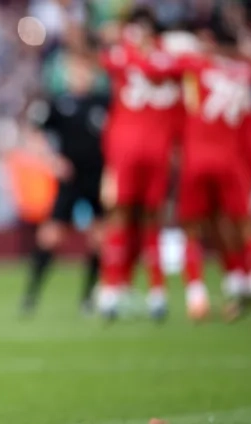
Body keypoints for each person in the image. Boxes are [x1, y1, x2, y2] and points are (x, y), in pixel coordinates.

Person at [150, 25, 251, 321]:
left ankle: (196, 295)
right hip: (231, 159)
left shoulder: (195, 65)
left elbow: (160, 68)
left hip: (197, 158)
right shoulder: (242, 72)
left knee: (192, 228)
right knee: (245, 227)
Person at [97, 7, 181, 320]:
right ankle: (144, 291)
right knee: (143, 219)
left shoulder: (127, 55)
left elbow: (105, 58)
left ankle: (117, 289)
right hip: (151, 148)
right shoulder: (169, 59)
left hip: (132, 147)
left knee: (128, 217)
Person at [20, 43, 108, 316]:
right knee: (51, 236)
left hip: (97, 177)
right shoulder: (57, 103)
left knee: (99, 238)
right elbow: (34, 133)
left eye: (84, 70)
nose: (80, 75)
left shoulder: (103, 102)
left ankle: (89, 297)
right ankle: (31, 295)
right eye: (75, 70)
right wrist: (52, 161)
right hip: (70, 179)